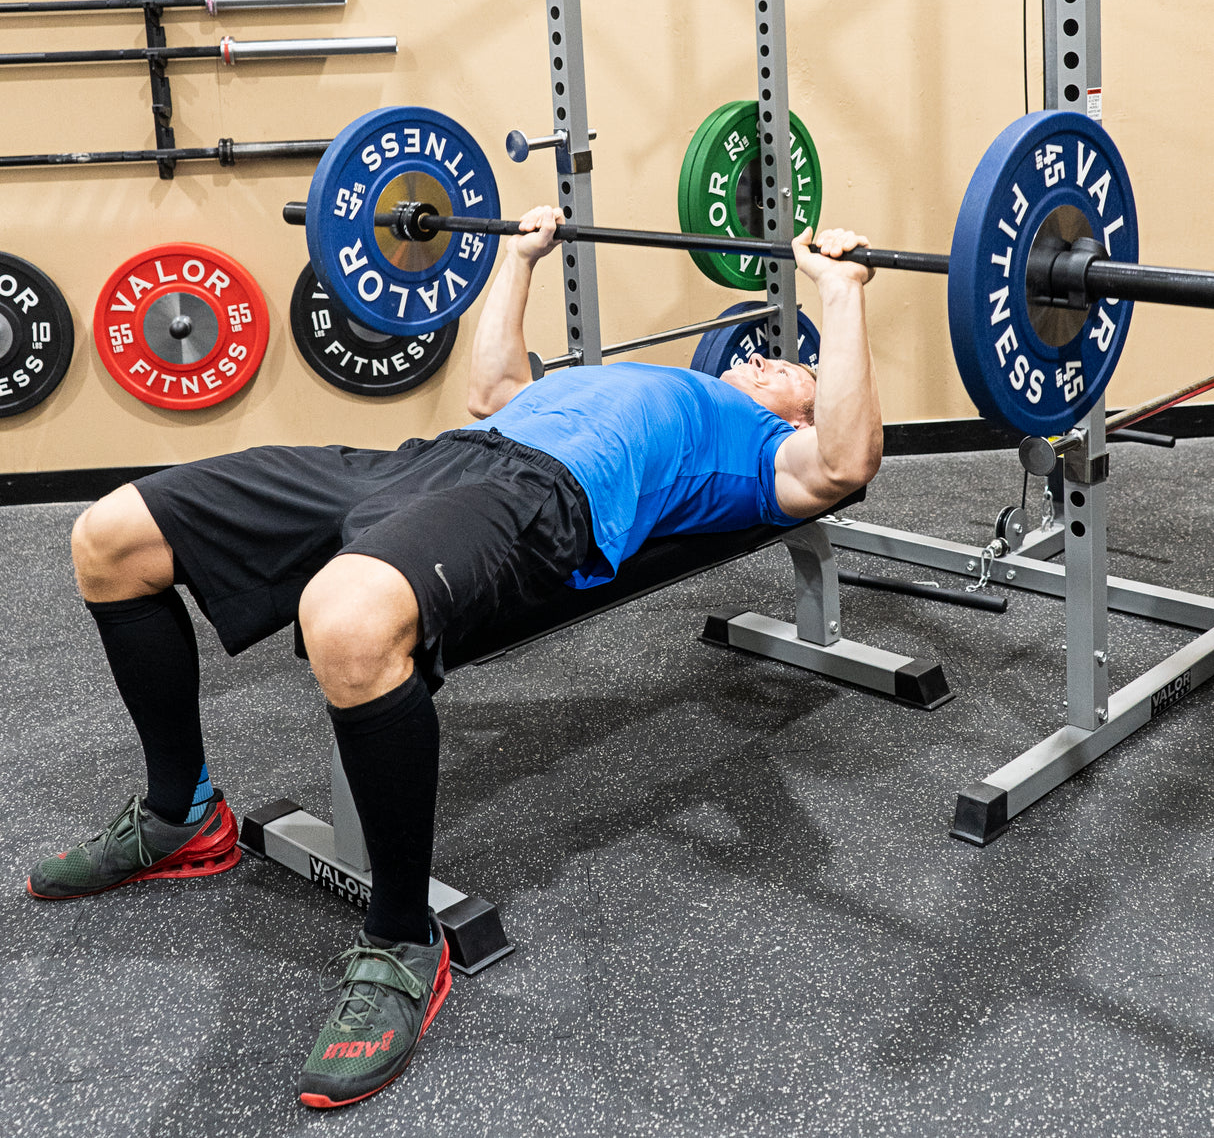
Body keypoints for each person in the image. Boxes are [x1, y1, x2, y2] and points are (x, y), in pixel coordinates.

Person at [25, 207, 881, 1109]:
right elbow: (493, 390)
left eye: (799, 369)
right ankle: (180, 814)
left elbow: (848, 461)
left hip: (541, 498)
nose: (769, 357)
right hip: (426, 459)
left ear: (808, 408)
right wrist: (519, 260)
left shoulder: (754, 453)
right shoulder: (638, 381)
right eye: (775, 352)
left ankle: (401, 939)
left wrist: (842, 293)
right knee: (112, 535)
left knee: (347, 622)